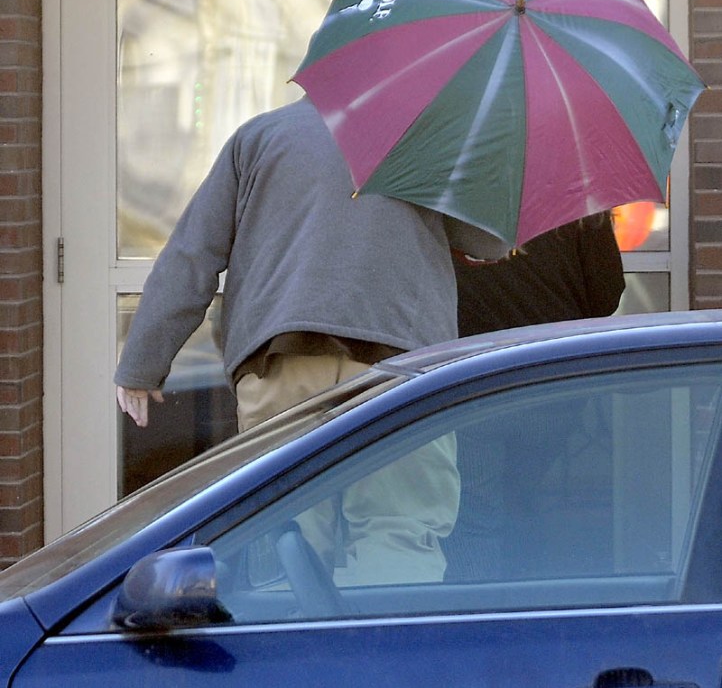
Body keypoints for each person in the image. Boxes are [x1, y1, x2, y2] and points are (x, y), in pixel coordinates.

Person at [115, 94, 509, 582]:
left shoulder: (258, 138)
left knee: (288, 544)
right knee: (397, 531)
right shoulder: (424, 137)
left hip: (278, 362)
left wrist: (142, 363)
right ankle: (380, 656)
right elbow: (491, 239)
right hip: (397, 367)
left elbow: (193, 254)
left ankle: (296, 654)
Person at [444, 212, 625, 583]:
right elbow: (606, 296)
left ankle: (477, 623)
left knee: (474, 519)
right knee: (526, 506)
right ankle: (528, 606)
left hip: (471, 382)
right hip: (551, 382)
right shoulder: (577, 201)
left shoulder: (451, 193)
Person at [454, 211, 626, 338]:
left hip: (468, 358)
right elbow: (606, 297)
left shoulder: (448, 196)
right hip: (552, 355)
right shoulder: (577, 193)